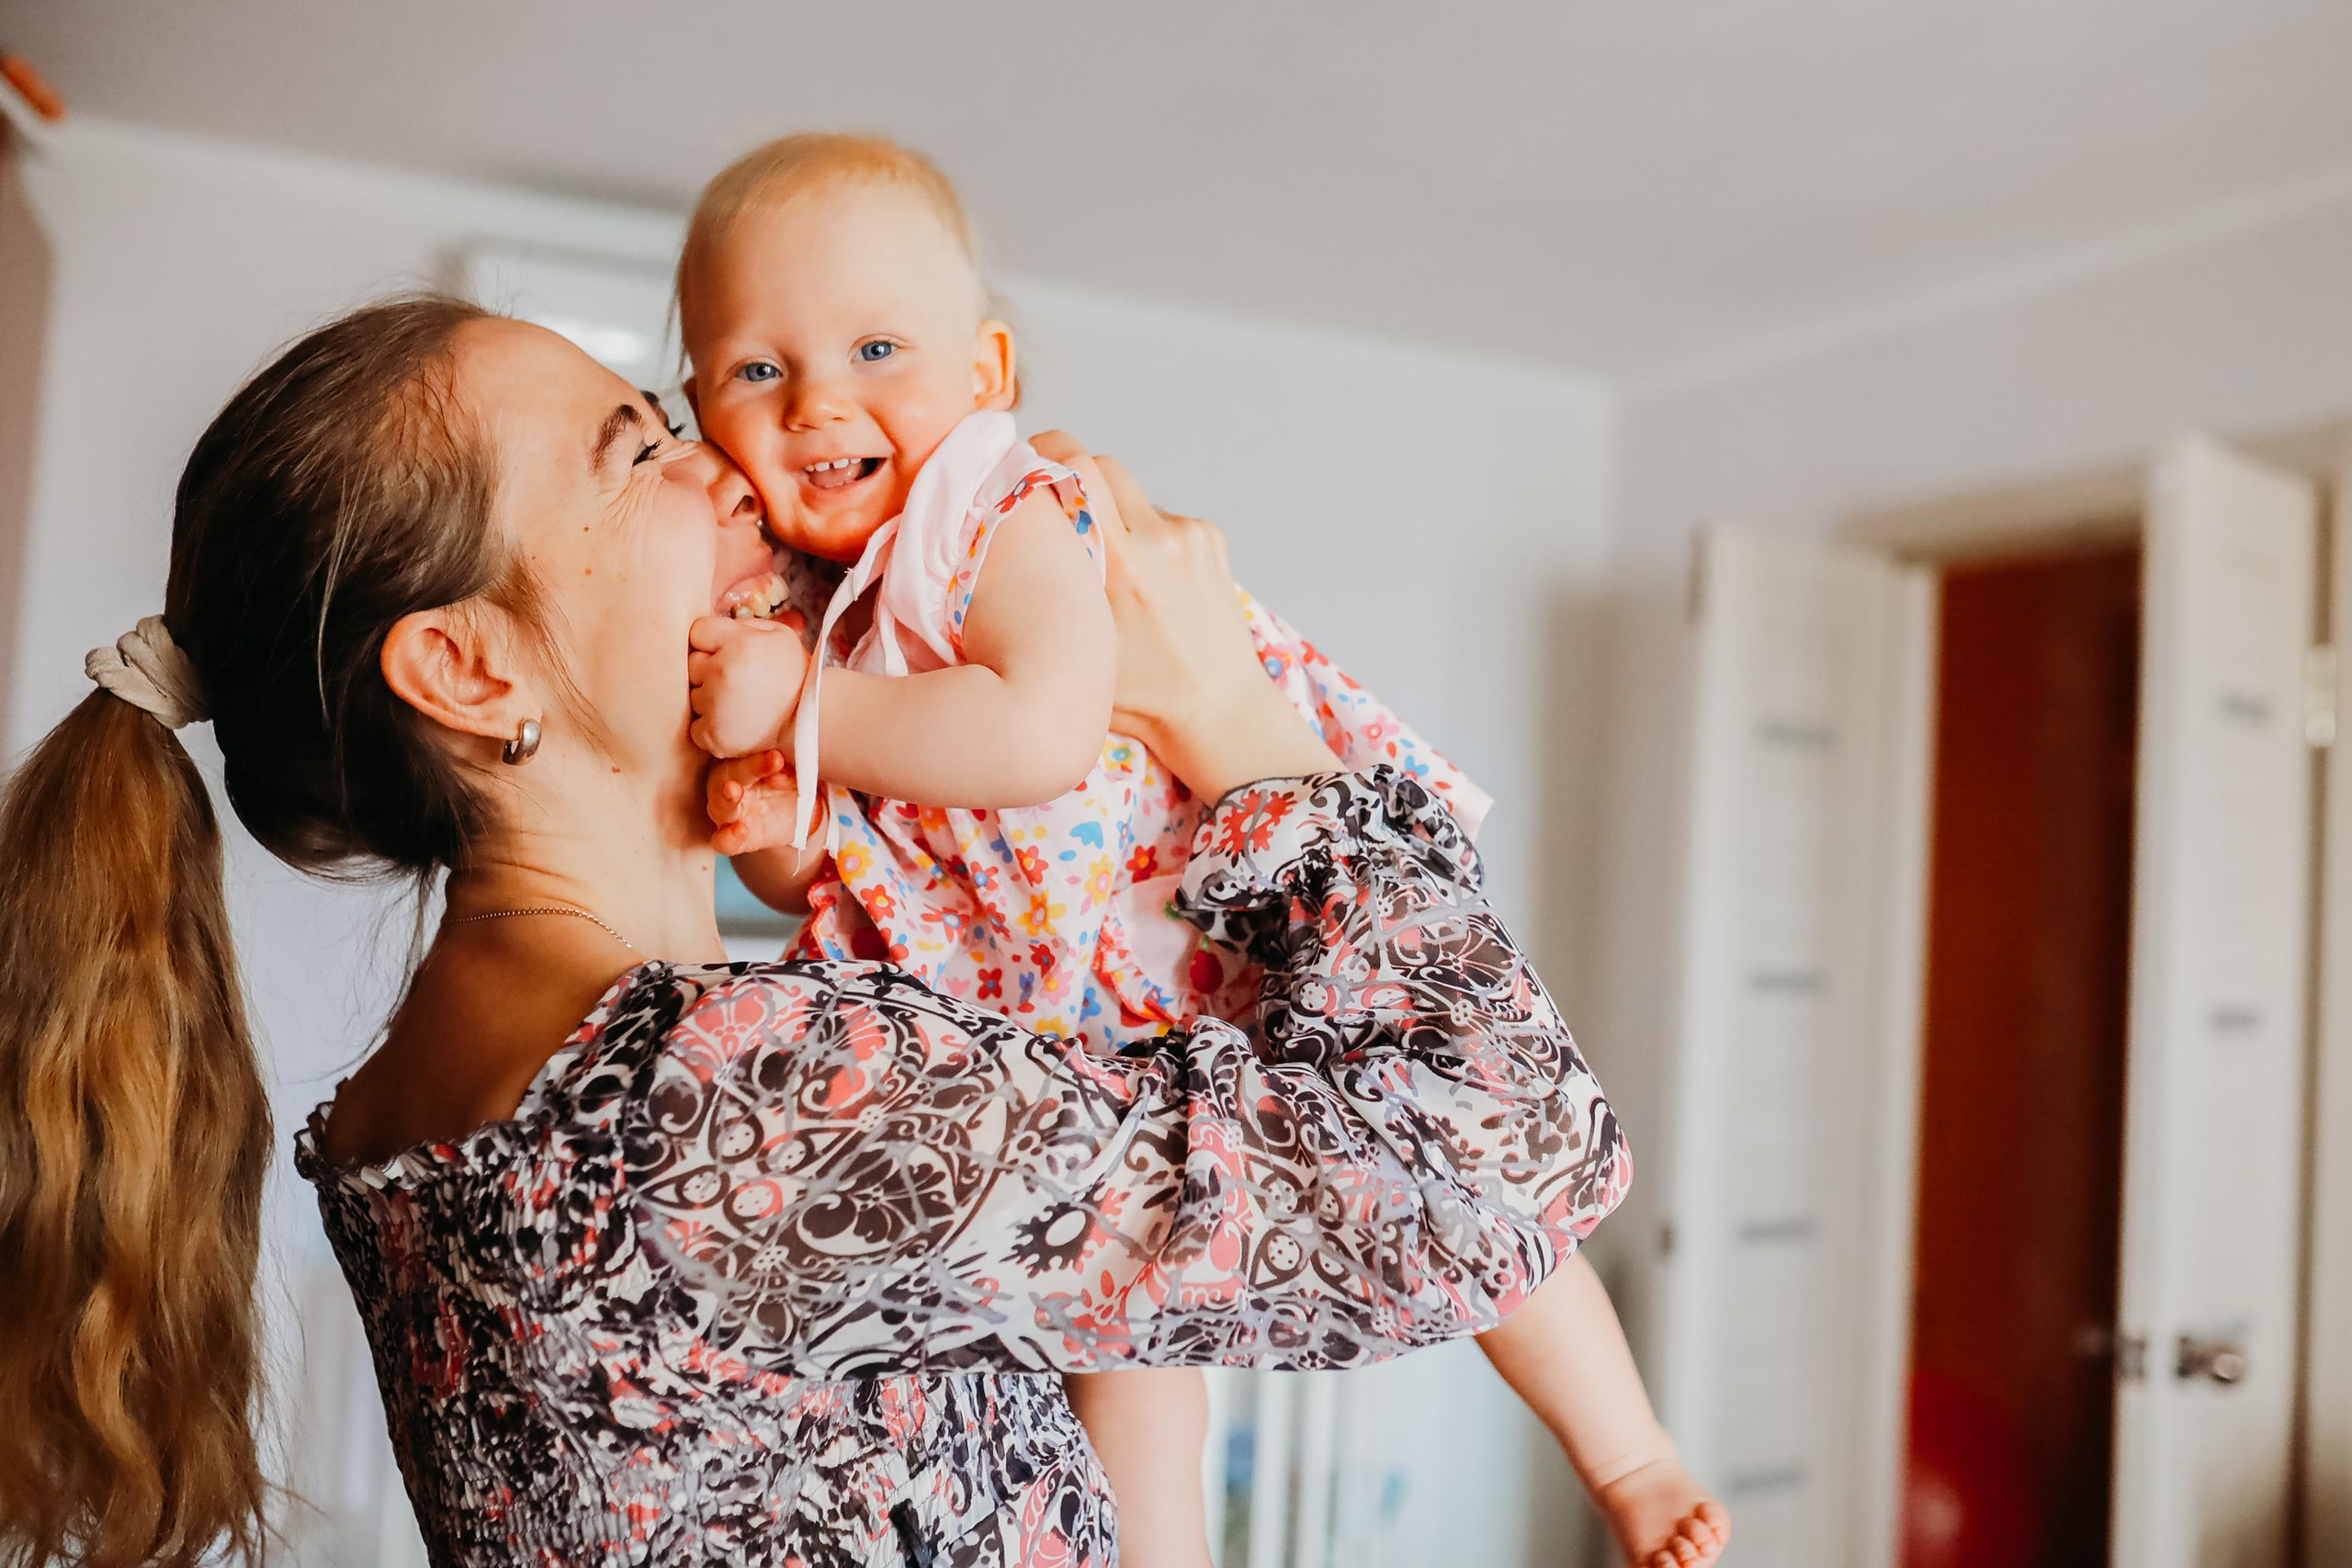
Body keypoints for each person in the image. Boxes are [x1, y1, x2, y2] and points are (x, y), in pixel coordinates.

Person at [0, 295, 1673, 1567]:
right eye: (637, 454)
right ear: (469, 669)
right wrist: (1232, 719)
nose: (732, 472)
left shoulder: (416, 1117)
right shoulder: (730, 1093)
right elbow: (1497, 1165)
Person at [673, 132, 1726, 1567]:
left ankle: (1634, 1460)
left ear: (985, 375)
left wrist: (807, 711)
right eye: (756, 369)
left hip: (1219, 929)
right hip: (1082, 1026)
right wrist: (779, 826)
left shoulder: (997, 514)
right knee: (1129, 1328)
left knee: (1463, 1196)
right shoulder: (811, 605)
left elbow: (1039, 732)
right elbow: (847, 880)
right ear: (699, 405)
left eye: (874, 348)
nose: (816, 402)